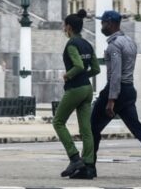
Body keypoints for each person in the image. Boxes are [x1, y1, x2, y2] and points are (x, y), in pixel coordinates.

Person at [90, 10, 141, 179]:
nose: (101, 26)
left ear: (111, 24)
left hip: (116, 90)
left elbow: (116, 74)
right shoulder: (129, 42)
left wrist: (111, 100)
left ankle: (89, 165)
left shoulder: (114, 46)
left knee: (92, 127)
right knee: (138, 129)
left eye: (103, 23)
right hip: (128, 90)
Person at [52, 10, 100, 179]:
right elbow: (96, 69)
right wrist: (84, 77)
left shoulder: (72, 44)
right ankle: (88, 165)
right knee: (86, 130)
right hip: (87, 89)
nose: (64, 29)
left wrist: (68, 75)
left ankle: (74, 158)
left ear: (69, 28)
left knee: (58, 122)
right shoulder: (87, 44)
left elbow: (78, 65)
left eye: (65, 26)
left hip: (75, 89)